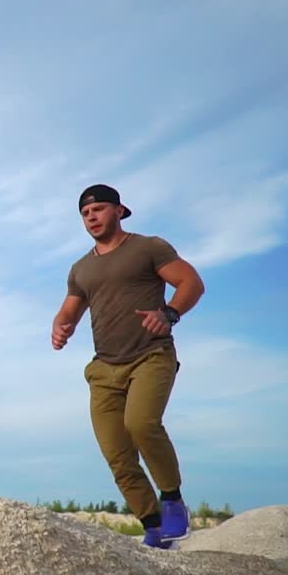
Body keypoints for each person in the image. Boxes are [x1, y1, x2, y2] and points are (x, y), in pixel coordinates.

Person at [50, 184, 206, 549]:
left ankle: (172, 502)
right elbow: (70, 309)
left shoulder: (148, 248)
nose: (92, 217)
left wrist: (169, 313)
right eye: (86, 213)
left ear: (120, 211)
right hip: (104, 368)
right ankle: (153, 527)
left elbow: (191, 282)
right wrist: (61, 326)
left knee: (141, 424)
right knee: (117, 454)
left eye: (99, 209)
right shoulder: (81, 269)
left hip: (150, 355)